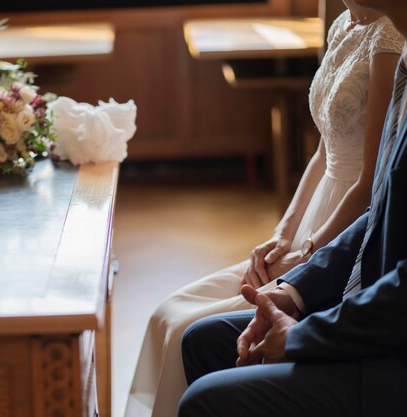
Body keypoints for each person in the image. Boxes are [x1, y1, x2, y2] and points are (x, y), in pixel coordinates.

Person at [125, 4, 404, 417]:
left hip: (388, 354)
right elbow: (377, 209)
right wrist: (294, 287)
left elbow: (369, 197)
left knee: (205, 394)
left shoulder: (390, 45)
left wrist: (304, 334)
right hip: (346, 264)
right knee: (197, 335)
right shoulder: (393, 56)